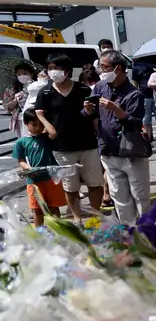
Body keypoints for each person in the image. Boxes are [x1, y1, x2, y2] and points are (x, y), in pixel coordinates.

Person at [37, 52, 104, 220]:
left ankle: (96, 215)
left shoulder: (82, 89)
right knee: (70, 187)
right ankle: (77, 218)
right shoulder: (45, 92)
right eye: (50, 68)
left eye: (57, 68)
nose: (53, 72)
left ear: (67, 70)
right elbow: (39, 113)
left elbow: (94, 114)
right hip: (62, 147)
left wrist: (90, 112)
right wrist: (48, 127)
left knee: (95, 183)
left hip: (87, 144)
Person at [87, 50, 150, 224]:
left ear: (118, 68)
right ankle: (128, 232)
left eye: (105, 67)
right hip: (108, 150)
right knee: (119, 196)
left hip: (131, 152)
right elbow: (89, 111)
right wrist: (88, 110)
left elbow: (135, 124)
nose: (101, 71)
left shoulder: (134, 94)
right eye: (100, 67)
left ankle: (146, 231)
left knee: (140, 195)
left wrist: (117, 110)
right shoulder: (100, 87)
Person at [14, 110, 64, 226]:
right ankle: (40, 233)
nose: (38, 128)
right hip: (33, 179)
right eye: (34, 124)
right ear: (26, 124)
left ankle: (59, 230)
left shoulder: (45, 137)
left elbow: (53, 133)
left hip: (51, 177)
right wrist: (27, 168)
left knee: (53, 206)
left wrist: (42, 118)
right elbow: (21, 161)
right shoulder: (21, 142)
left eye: (40, 125)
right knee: (37, 209)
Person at [3, 62, 36, 138]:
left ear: (31, 74)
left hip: (35, 118)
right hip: (20, 119)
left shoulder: (37, 85)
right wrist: (15, 99)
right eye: (19, 74)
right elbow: (7, 106)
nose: (22, 76)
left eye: (25, 73)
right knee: (22, 140)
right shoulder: (12, 89)